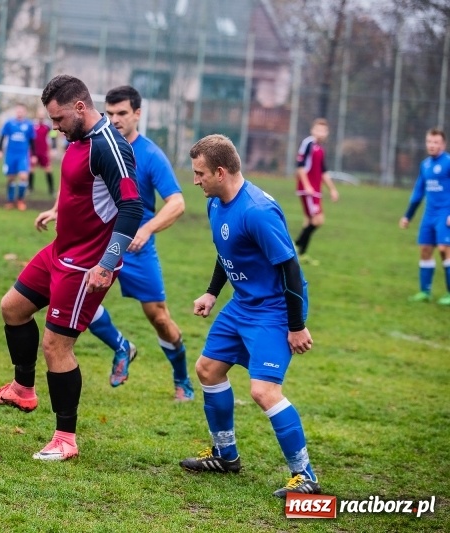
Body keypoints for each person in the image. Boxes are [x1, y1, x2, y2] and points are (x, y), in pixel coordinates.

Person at [0, 75, 143, 461]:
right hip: (60, 251)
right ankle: (23, 389)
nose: (55, 127)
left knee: (56, 346)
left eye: (58, 119)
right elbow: (82, 187)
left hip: (86, 265)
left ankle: (66, 439)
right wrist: (58, 209)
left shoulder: (110, 146)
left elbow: (132, 207)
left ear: (81, 108)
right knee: (13, 308)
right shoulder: (78, 138)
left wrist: (106, 263)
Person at [179, 134, 321, 498]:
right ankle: (226, 456)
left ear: (221, 172)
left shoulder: (257, 210)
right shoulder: (216, 202)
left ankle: (305, 476)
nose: (196, 180)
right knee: (208, 369)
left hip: (275, 308)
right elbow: (228, 251)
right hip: (243, 304)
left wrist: (296, 326)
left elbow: (290, 268)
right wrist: (212, 292)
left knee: (264, 390)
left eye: (200, 173)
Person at [34, 85, 193, 401]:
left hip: (135, 246)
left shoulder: (150, 155)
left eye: (123, 113)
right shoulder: (92, 142)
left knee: (158, 317)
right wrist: (56, 209)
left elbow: (177, 203)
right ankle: (121, 346)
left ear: (138, 114)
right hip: (94, 246)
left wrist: (146, 230)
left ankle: (182, 379)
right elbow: (78, 184)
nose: (116, 119)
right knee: (74, 302)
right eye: (111, 113)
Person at [399, 127, 450, 305]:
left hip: (445, 212)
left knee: (445, 250)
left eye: (436, 142)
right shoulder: (425, 165)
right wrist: (407, 216)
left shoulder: (448, 162)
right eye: (429, 141)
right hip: (430, 214)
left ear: (443, 144)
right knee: (425, 250)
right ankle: (425, 292)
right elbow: (418, 193)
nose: (432, 145)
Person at [293, 118, 339, 266]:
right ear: (312, 131)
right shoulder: (308, 143)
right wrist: (307, 186)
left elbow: (323, 172)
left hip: (316, 190)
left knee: (308, 221)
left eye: (323, 130)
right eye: (318, 129)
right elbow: (300, 166)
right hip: (309, 190)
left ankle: (301, 254)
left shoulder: (320, 149)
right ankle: (296, 244)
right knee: (318, 220)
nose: (320, 132)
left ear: (327, 133)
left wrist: (332, 189)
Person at [0, 103, 36, 211]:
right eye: (18, 111)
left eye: (21, 111)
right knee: (11, 178)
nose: (19, 113)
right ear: (15, 112)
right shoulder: (9, 123)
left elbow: (32, 141)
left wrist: (34, 155)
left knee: (23, 177)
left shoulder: (29, 125)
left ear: (24, 112)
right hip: (10, 155)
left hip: (23, 155)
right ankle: (10, 200)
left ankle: (20, 200)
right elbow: (2, 136)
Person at [28, 109, 56, 195]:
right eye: (39, 115)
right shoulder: (32, 125)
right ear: (37, 115)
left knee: (48, 169)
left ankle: (51, 190)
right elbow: (30, 138)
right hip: (34, 151)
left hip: (44, 152)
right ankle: (30, 189)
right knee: (31, 169)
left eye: (42, 115)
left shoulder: (48, 125)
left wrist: (53, 149)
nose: (41, 117)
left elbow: (53, 136)